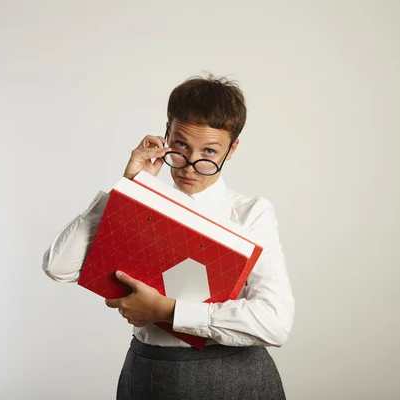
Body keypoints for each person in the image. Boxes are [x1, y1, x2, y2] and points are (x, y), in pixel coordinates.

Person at [42, 74, 295, 399]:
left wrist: (167, 311)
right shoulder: (141, 203)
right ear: (166, 135)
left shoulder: (249, 214)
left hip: (233, 378)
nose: (190, 165)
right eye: (180, 146)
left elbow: (275, 323)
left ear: (232, 150)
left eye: (209, 152)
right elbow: (59, 268)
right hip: (148, 371)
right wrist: (128, 187)